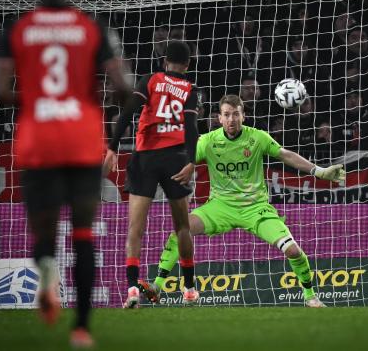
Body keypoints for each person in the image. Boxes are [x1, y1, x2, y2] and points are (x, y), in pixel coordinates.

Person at [0, 0, 130, 348]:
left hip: (39, 139)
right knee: (83, 232)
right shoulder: (91, 27)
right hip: (83, 137)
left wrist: (35, 102)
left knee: (45, 233)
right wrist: (92, 99)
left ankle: (48, 272)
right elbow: (121, 86)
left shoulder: (17, 28)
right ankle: (82, 329)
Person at [143, 95, 345, 307]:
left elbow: (285, 155)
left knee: (293, 250)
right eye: (227, 115)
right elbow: (186, 157)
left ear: (243, 116)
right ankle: (157, 285)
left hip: (255, 208)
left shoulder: (257, 138)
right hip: (220, 206)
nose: (232, 119)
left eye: (236, 114)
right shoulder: (209, 141)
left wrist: (319, 171)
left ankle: (310, 297)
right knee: (181, 229)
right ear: (219, 118)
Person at [103, 40, 200, 308]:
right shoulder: (190, 90)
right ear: (188, 65)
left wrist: (112, 148)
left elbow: (128, 112)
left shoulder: (151, 80)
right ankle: (189, 289)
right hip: (177, 159)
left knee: (136, 227)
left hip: (145, 157)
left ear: (164, 60)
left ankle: (133, 288)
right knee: (182, 226)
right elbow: (191, 129)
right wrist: (192, 162)